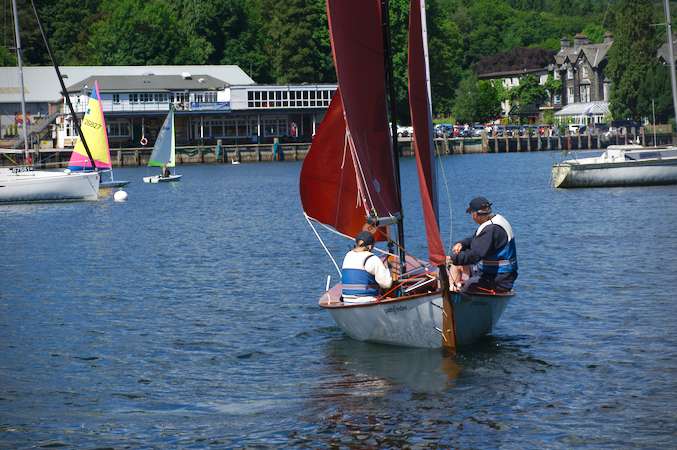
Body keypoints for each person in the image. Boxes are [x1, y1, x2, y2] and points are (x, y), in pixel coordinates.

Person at [446, 196, 517, 293]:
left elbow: (475, 255)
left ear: (474, 214)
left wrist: (451, 259)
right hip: (492, 273)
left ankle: (455, 301)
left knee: (467, 286)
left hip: (500, 279)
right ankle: (452, 290)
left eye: (471, 213)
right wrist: (462, 244)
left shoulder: (491, 229)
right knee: (456, 266)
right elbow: (476, 240)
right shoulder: (495, 220)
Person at [341, 231, 393, 304]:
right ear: (370, 246)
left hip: (347, 300)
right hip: (366, 301)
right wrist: (389, 269)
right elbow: (386, 284)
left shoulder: (348, 255)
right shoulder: (372, 259)